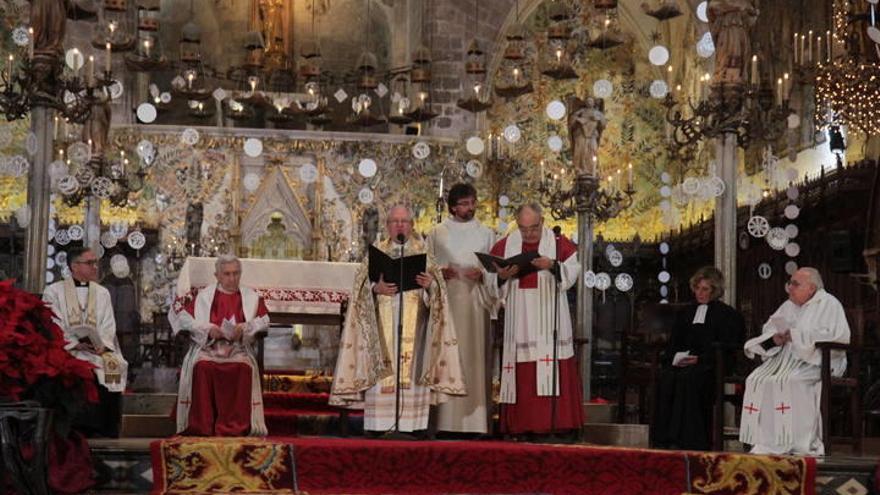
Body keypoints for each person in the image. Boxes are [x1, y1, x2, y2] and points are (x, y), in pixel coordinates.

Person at [330, 204, 466, 434]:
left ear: (412, 225)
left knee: (411, 370)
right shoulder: (376, 253)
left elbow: (439, 295)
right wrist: (375, 288)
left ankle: (413, 426)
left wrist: (429, 286)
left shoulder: (424, 253)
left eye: (404, 221)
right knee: (385, 367)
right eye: (395, 222)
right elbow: (359, 290)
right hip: (381, 329)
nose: (400, 225)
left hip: (416, 331)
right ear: (387, 226)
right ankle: (379, 425)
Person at [484, 203, 583, 436]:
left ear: (543, 220)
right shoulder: (505, 245)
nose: (528, 233)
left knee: (550, 363)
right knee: (523, 370)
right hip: (520, 318)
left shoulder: (559, 244)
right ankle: (522, 425)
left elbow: (571, 273)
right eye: (523, 228)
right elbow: (490, 284)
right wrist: (501, 277)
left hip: (550, 314)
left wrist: (552, 265)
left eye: (534, 228)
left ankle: (557, 425)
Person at [739, 267, 850, 455]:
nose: (790, 288)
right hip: (787, 361)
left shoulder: (829, 304)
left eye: (795, 284)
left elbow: (839, 337)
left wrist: (798, 336)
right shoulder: (788, 305)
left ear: (812, 288)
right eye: (790, 283)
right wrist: (776, 338)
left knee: (792, 382)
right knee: (756, 379)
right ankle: (766, 443)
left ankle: (799, 443)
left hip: (818, 363)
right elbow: (770, 328)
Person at [169, 254, 270, 436]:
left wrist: (245, 327)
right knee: (202, 367)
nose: (232, 278)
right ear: (217, 275)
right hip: (209, 348)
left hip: (238, 349)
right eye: (227, 274)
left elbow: (264, 320)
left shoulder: (251, 297)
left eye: (236, 273)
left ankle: (236, 427)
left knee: (243, 369)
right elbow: (184, 318)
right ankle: (204, 426)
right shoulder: (204, 296)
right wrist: (208, 329)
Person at [427, 183, 495, 436]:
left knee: (474, 360)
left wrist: (484, 274)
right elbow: (426, 267)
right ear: (453, 206)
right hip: (448, 304)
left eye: (473, 202)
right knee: (448, 357)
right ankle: (445, 421)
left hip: (476, 304)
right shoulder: (438, 233)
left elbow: (495, 269)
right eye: (465, 203)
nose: (470, 207)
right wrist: (440, 273)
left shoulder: (486, 233)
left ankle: (476, 423)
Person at [652, 266, 745, 450]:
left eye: (705, 289)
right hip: (686, 363)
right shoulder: (685, 313)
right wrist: (675, 357)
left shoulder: (728, 315)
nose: (700, 293)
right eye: (697, 288)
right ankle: (664, 438)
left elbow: (729, 345)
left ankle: (693, 440)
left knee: (691, 377)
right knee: (667, 377)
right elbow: (675, 342)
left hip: (712, 364)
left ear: (714, 291)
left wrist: (701, 359)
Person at [43, 246, 127, 437]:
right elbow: (53, 323)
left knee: (111, 367)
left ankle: (105, 429)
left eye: (95, 263)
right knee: (75, 370)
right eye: (90, 263)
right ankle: (73, 429)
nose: (95, 267)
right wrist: (73, 343)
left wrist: (101, 344)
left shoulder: (102, 293)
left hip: (97, 349)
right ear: (74, 266)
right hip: (68, 349)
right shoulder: (53, 291)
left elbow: (108, 324)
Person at [707, 0, 758, 86]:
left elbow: (751, 16)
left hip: (739, 31)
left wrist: (743, 8)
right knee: (725, 53)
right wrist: (736, 6)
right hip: (726, 30)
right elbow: (713, 7)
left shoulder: (745, 4)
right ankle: (723, 75)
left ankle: (737, 76)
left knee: (740, 52)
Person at [567, 96, 606, 175]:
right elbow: (571, 121)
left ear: (594, 103)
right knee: (580, 150)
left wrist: (598, 119)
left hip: (592, 135)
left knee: (592, 150)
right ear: (585, 103)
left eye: (591, 101)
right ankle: (579, 169)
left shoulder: (597, 113)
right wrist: (577, 119)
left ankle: (591, 170)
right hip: (581, 135)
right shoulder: (581, 111)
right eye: (587, 101)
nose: (589, 102)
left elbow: (603, 124)